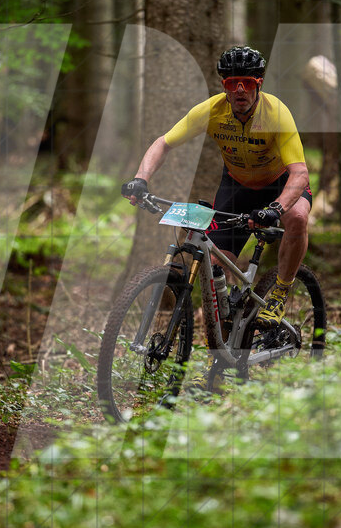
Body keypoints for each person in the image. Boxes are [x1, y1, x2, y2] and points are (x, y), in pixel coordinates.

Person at [121, 46, 312, 326]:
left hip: (279, 185)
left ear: (258, 84)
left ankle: (280, 292)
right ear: (224, 86)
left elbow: (300, 173)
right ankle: (229, 332)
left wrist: (276, 208)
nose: (239, 90)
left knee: (296, 217)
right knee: (219, 264)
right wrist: (141, 178)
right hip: (237, 186)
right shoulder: (212, 111)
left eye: (247, 83)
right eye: (231, 83)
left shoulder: (276, 113)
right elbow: (164, 142)